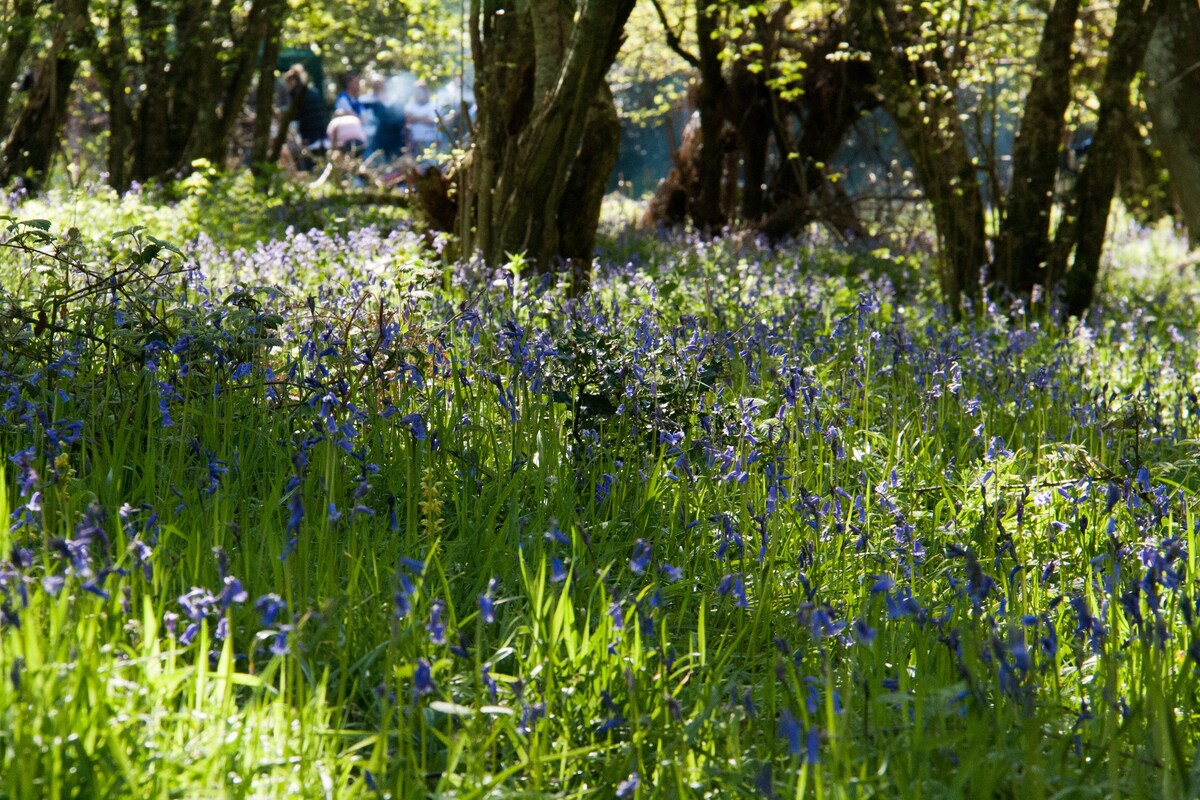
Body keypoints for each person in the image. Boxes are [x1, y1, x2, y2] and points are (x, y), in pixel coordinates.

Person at [404, 81, 439, 158]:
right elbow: (408, 119)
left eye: (421, 92)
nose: (419, 94)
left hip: (431, 141)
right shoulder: (410, 105)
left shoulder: (433, 105)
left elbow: (431, 121)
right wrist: (423, 118)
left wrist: (415, 118)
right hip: (414, 142)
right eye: (417, 92)